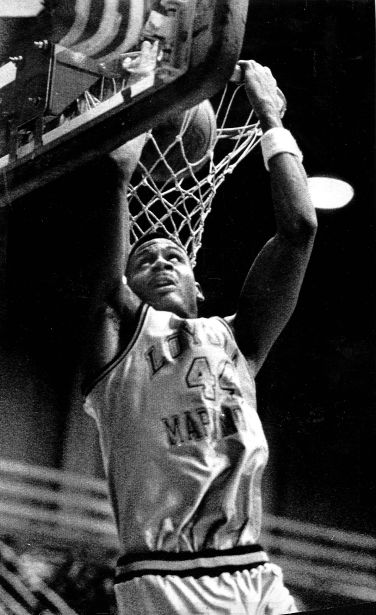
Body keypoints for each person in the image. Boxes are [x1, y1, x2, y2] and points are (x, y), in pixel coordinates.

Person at [81, 60, 317, 615]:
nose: (161, 258)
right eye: (144, 258)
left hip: (254, 570)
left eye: (174, 255)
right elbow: (116, 184)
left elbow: (300, 229)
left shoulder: (240, 342)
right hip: (168, 578)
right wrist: (133, 119)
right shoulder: (118, 339)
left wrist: (271, 120)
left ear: (199, 285)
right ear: (126, 282)